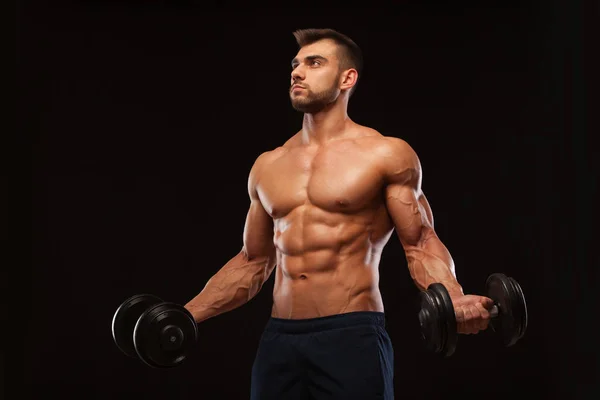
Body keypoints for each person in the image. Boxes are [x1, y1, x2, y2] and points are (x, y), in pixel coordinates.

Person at [184, 28, 494, 400]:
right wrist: (186, 315)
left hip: (351, 335)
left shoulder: (385, 154)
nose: (298, 72)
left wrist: (453, 296)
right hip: (279, 339)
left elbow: (421, 242)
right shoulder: (267, 166)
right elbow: (253, 262)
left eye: (314, 63)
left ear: (348, 78)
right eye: (296, 64)